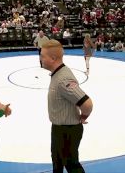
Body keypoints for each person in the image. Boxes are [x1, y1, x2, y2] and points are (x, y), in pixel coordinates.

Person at [40, 39, 93, 173]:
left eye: (42, 56)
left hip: (67, 131)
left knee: (71, 165)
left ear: (52, 58)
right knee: (57, 162)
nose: (40, 59)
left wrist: (83, 116)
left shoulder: (63, 79)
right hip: (59, 129)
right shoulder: (58, 74)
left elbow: (87, 103)